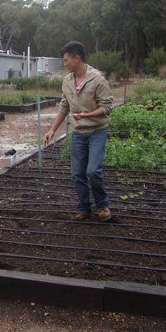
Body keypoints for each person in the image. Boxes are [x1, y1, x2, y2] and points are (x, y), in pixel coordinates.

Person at [43, 41, 114, 222]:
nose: (65, 64)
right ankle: (84, 207)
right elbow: (64, 107)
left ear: (77, 58)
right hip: (79, 133)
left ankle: (102, 206)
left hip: (97, 130)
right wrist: (52, 130)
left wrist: (87, 114)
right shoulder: (67, 81)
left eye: (67, 60)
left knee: (93, 171)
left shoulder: (97, 79)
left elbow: (106, 107)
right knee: (77, 173)